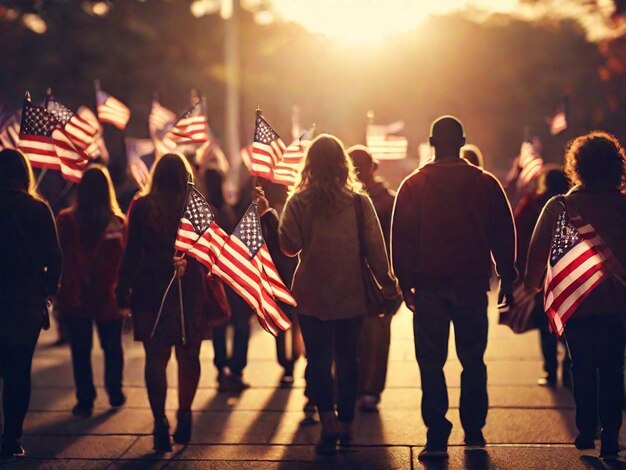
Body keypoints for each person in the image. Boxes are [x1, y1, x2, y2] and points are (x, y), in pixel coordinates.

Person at [391, 116, 516, 460]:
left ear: (432, 142)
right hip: (471, 285)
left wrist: (404, 281)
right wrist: (508, 275)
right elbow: (503, 233)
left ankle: (436, 433)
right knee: (473, 359)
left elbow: (401, 238)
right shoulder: (486, 184)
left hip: (429, 285)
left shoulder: (414, 185)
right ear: (462, 141)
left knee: (431, 361)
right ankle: (473, 430)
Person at [279, 134, 399, 455]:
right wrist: (388, 286)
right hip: (351, 295)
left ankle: (327, 424)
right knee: (349, 360)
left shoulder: (298, 202)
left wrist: (268, 215)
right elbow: (376, 249)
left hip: (311, 295)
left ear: (310, 165)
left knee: (318, 361)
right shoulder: (359, 202)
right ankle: (347, 427)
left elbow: (289, 246)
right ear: (342, 165)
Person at [525, 131, 626, 460]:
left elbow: (538, 252)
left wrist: (531, 284)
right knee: (613, 369)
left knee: (581, 365)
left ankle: (585, 427)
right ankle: (611, 436)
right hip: (618, 304)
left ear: (576, 166)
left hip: (577, 304)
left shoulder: (561, 206)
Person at [116, 153, 213, 452]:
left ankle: (159, 422)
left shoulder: (142, 206)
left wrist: (123, 288)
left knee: (155, 358)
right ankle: (184, 413)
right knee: (189, 356)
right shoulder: (196, 208)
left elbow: (131, 251)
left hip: (150, 292)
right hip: (189, 292)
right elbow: (210, 252)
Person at [0, 149, 62, 459]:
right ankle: (11, 437)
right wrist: (47, 293)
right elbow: (55, 257)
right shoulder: (38, 210)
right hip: (25, 304)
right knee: (18, 372)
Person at [56, 165, 127, 417]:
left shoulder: (66, 220)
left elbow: (60, 257)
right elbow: (124, 261)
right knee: (112, 346)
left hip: (76, 294)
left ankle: (85, 398)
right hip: (108, 294)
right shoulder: (118, 223)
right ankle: (114, 389)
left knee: (80, 350)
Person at [348, 145, 397, 413]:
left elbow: (394, 241)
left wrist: (392, 279)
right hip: (351, 277)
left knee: (376, 336)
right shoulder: (342, 198)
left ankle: (370, 389)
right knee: (356, 337)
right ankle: (359, 387)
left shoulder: (387, 200)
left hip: (378, 280)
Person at [514, 167, 571, 388]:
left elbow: (519, 237)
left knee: (545, 324)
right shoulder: (572, 205)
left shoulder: (533, 206)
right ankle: (568, 368)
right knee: (566, 323)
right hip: (567, 274)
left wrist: (523, 275)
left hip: (541, 275)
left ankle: (549, 370)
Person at [203, 168, 253, 393]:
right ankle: (235, 370)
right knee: (240, 323)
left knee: (220, 323)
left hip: (215, 276)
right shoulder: (225, 211)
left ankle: (223, 369)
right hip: (233, 275)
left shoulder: (205, 212)